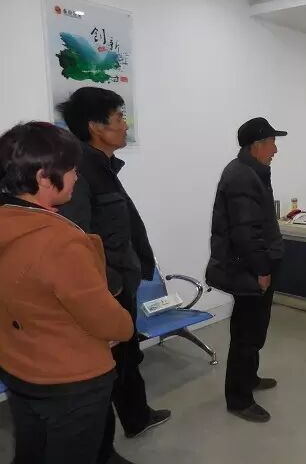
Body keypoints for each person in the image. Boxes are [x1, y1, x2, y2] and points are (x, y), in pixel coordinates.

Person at [0, 122, 134, 464]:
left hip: (19, 368)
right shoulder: (59, 241)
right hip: (71, 381)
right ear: (45, 178)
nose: (76, 176)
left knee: (31, 452)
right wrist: (123, 326)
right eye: (72, 169)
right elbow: (109, 321)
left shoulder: (8, 221)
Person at [56, 87, 170, 463]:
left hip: (121, 286)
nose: (125, 124)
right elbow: (75, 243)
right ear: (95, 127)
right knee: (103, 372)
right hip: (105, 291)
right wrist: (114, 285)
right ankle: (102, 454)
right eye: (119, 117)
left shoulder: (103, 166)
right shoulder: (78, 172)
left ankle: (137, 418)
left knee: (127, 357)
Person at [206, 117, 286, 422]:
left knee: (254, 329)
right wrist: (262, 270)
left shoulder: (251, 171)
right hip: (248, 268)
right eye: (272, 143)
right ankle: (239, 399)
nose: (275, 149)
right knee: (246, 334)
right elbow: (246, 232)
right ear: (257, 146)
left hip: (252, 265)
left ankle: (249, 378)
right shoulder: (242, 177)